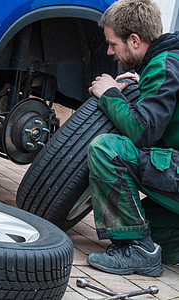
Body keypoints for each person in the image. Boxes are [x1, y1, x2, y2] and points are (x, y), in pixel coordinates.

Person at [87, 0, 179, 277]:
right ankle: (146, 244)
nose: (109, 51)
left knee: (106, 149)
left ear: (135, 40)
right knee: (149, 227)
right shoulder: (169, 60)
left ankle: (137, 249)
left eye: (113, 44)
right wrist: (144, 82)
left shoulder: (164, 66)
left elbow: (143, 131)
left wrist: (110, 93)